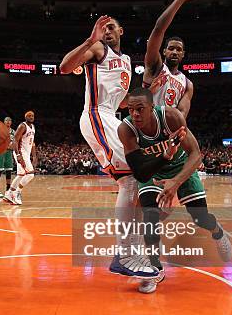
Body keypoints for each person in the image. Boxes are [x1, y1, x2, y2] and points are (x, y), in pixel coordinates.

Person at [59, 15, 159, 278]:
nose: (107, 32)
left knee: (136, 180)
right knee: (131, 180)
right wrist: (89, 40)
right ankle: (124, 254)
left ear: (121, 31)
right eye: (103, 29)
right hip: (95, 114)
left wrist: (147, 90)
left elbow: (123, 101)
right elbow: (64, 68)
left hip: (112, 116)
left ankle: (131, 250)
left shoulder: (126, 61)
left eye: (111, 27)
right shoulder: (97, 49)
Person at [119, 87, 232, 293]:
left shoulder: (171, 116)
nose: (135, 114)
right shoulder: (126, 129)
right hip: (152, 170)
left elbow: (196, 155)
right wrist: (163, 160)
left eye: (140, 109)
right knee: (150, 217)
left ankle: (218, 232)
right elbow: (140, 172)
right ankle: (154, 269)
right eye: (131, 109)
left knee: (200, 218)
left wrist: (176, 182)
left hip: (181, 167)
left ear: (152, 107)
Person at [143, 0, 200, 118]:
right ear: (164, 51)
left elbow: (182, 115)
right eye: (171, 48)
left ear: (183, 55)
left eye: (179, 50)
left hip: (168, 130)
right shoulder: (155, 65)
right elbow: (158, 29)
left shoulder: (187, 84)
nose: (174, 52)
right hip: (147, 125)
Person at [4, 111, 37, 205]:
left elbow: (32, 142)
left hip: (26, 153)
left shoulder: (33, 127)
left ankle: (9, 194)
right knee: (30, 174)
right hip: (21, 153)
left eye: (32, 116)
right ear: (25, 117)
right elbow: (15, 139)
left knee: (21, 175)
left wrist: (34, 156)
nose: (31, 117)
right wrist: (18, 155)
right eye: (29, 116)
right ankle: (17, 192)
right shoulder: (22, 126)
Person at [0, 117, 15, 199]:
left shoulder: (13, 132)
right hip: (0, 152)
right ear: (4, 122)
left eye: (10, 120)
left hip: (9, 152)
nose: (8, 122)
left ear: (11, 122)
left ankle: (8, 190)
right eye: (6, 120)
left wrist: (13, 146)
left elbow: (15, 142)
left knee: (9, 171)